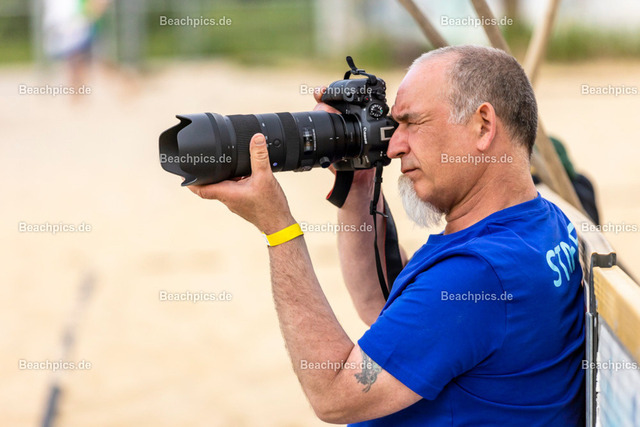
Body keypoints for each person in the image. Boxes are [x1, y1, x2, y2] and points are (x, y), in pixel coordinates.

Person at [188, 45, 585, 425]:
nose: (394, 146)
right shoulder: (541, 225)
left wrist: (279, 229)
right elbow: (382, 306)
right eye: (394, 126)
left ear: (483, 125)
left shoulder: (478, 274)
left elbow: (334, 394)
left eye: (412, 123)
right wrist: (359, 185)